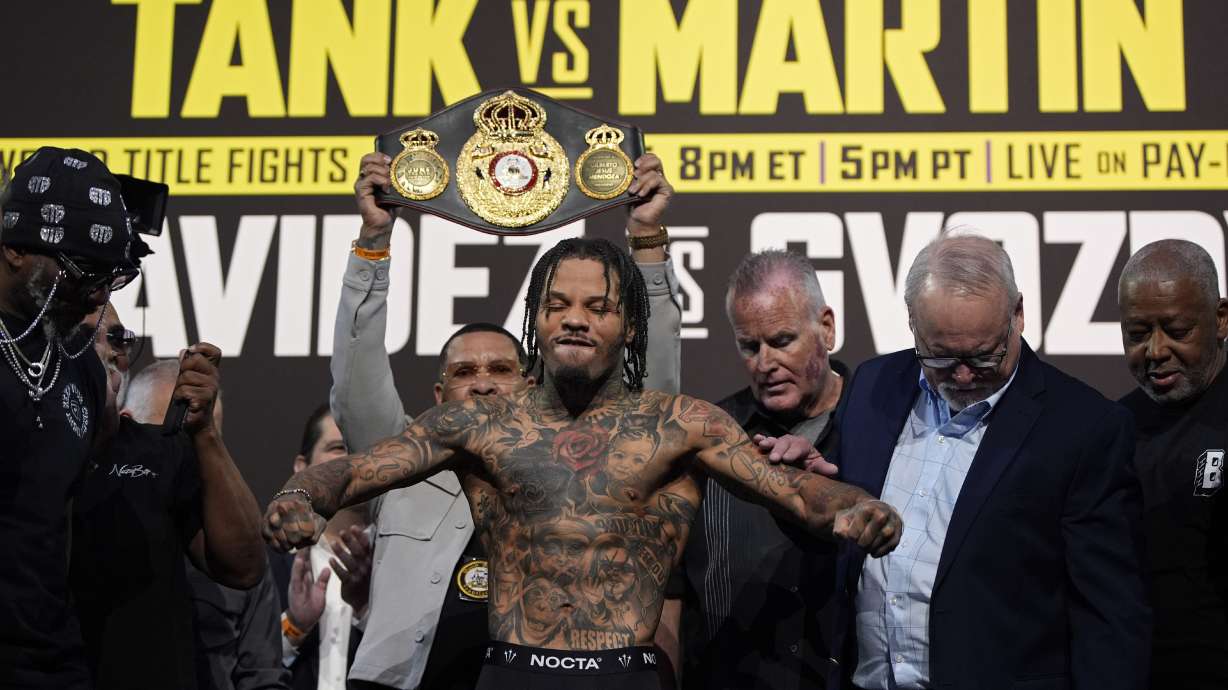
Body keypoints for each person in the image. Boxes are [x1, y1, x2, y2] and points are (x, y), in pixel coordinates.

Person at [266, 235, 902, 690]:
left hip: (628, 673)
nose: (575, 320)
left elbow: (792, 491)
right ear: (536, 320)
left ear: (629, 326)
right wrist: (300, 496)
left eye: (598, 307)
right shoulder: (478, 425)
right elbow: (351, 470)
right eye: (559, 306)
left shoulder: (679, 424)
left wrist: (857, 507)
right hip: (510, 671)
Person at [332, 153, 685, 690]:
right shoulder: (402, 459)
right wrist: (373, 242)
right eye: (463, 372)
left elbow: (656, 393)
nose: (482, 382)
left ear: (528, 384)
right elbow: (356, 380)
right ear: (437, 396)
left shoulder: (585, 467)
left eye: (501, 368)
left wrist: (647, 240)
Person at [832, 231, 1150, 690]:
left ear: (1017, 315)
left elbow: (1110, 617)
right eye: (940, 355)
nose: (962, 374)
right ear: (912, 323)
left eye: (983, 355)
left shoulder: (1085, 428)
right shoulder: (872, 386)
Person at [0, 146, 142, 688]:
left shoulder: (81, 362)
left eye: (110, 278)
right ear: (15, 247)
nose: (97, 296)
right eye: (83, 274)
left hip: (49, 658)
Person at [70, 303, 267, 690]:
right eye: (82, 335)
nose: (111, 349)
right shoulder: (22, 446)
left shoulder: (162, 451)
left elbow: (244, 566)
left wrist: (205, 433)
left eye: (118, 338)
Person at [679, 249, 846, 690]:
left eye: (782, 340)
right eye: (749, 347)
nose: (765, 363)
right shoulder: (708, 439)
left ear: (826, 328)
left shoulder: (886, 428)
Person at [122, 361, 291, 690]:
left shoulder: (239, 547)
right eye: (176, 436)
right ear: (128, 424)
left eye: (205, 440)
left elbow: (262, 677)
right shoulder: (94, 525)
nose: (190, 456)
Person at [1117, 239, 1228, 690]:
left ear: (1221, 319)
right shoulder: (1110, 431)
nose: (1155, 350)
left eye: (1177, 330)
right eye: (1138, 334)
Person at [270, 403, 373, 690]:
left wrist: (367, 612)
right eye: (339, 448)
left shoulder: (407, 560)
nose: (353, 459)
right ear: (301, 468)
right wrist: (295, 626)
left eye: (365, 448)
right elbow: (242, 669)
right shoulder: (264, 564)